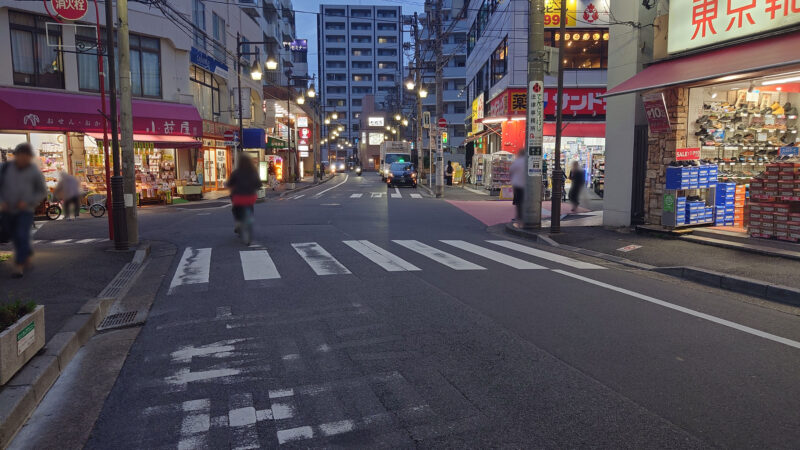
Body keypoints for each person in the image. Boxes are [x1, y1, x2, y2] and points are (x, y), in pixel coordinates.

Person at [0, 143, 47, 278]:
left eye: (27, 157)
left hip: (25, 210)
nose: (24, 160)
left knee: (21, 234)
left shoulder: (34, 171)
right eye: (21, 156)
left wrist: (29, 201)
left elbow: (42, 191)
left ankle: (18, 266)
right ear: (16, 156)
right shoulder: (4, 169)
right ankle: (26, 253)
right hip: (7, 210)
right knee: (15, 236)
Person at [226, 153, 262, 236]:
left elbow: (230, 183)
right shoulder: (253, 172)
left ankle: (238, 223)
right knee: (250, 206)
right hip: (251, 196)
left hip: (238, 197)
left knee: (235, 209)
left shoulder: (236, 172)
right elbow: (259, 184)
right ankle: (250, 219)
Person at [509, 149, 526, 221]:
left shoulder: (517, 161)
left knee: (518, 201)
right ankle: (525, 216)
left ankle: (519, 216)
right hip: (525, 184)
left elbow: (511, 171)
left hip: (517, 184)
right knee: (524, 200)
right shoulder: (527, 162)